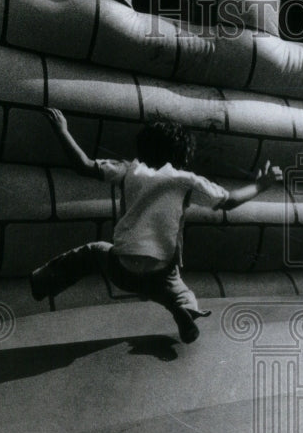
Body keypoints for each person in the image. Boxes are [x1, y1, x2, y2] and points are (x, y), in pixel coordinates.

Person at [30, 108, 282, 343]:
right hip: (160, 272)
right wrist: (261, 185)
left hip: (122, 266)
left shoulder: (129, 170)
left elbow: (83, 165)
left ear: (143, 148)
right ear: (183, 155)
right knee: (180, 294)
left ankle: (43, 281)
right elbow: (230, 201)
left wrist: (62, 130)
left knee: (92, 252)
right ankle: (185, 310)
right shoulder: (187, 180)